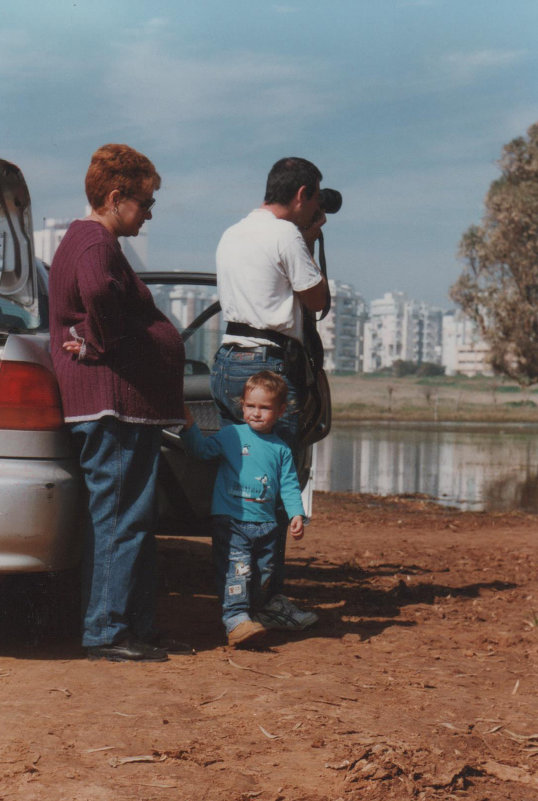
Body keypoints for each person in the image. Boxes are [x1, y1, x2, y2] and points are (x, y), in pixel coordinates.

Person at [49, 143, 192, 662]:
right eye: (145, 202)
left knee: (128, 517)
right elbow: (100, 296)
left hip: (120, 403)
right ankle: (109, 633)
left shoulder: (91, 239)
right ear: (115, 197)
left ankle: (131, 626)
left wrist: (97, 337)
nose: (149, 213)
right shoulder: (94, 243)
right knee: (119, 519)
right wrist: (98, 342)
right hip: (110, 402)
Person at [210, 157, 329, 631]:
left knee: (238, 484)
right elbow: (316, 300)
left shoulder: (232, 232)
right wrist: (312, 243)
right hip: (268, 364)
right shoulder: (286, 235)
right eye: (315, 201)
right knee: (277, 480)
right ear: (302, 194)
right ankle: (267, 600)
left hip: (228, 361)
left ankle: (233, 603)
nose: (315, 210)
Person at [180, 371, 307, 647]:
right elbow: (200, 452)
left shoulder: (281, 449)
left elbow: (288, 485)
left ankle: (252, 613)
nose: (256, 413)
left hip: (267, 526)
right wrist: (189, 425)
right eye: (251, 406)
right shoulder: (231, 436)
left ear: (281, 411)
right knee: (237, 570)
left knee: (263, 575)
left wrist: (297, 513)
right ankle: (235, 620)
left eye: (265, 408)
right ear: (242, 406)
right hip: (232, 521)